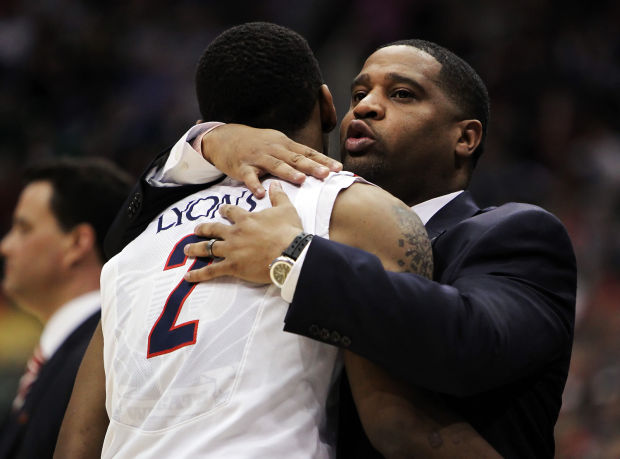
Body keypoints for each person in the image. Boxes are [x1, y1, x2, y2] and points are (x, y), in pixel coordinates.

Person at [57, 23, 501, 458]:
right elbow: (397, 427)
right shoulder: (361, 212)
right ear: (328, 107)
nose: (365, 107)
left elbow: (75, 445)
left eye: (400, 94)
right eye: (358, 94)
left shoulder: (131, 252)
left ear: (205, 124)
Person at [0, 158, 132, 459]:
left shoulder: (97, 356)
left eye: (23, 228)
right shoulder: (69, 353)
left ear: (76, 243)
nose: (5, 246)